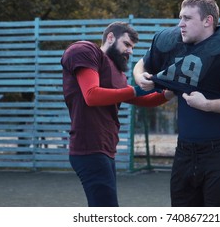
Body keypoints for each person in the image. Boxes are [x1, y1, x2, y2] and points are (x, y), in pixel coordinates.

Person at [133, 0, 220, 207]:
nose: (180, 24)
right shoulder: (172, 41)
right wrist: (139, 76)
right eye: (180, 17)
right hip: (184, 152)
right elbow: (141, 64)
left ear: (208, 21)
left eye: (187, 18)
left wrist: (208, 105)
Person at [61, 21, 173, 207]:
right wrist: (137, 90)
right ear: (111, 37)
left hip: (105, 148)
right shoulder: (85, 50)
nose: (130, 51)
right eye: (127, 44)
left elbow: (142, 100)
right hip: (89, 148)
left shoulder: (116, 71)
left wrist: (170, 92)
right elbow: (91, 95)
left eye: (132, 47)